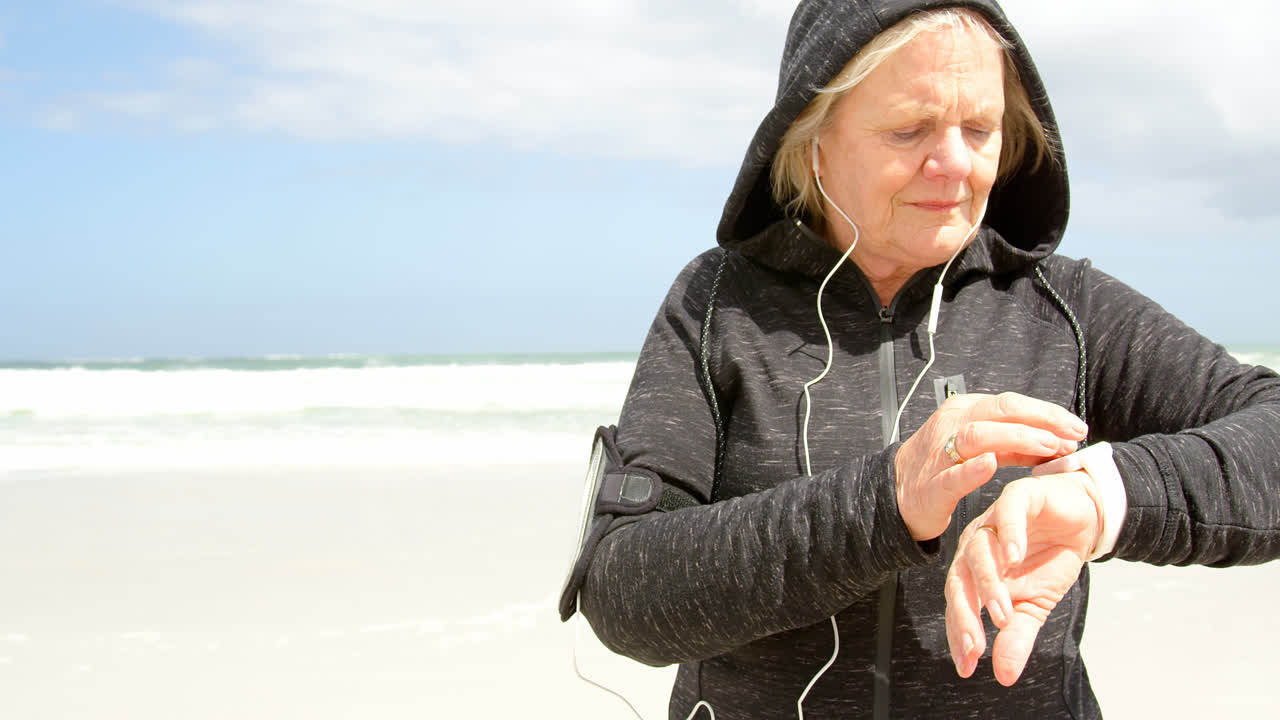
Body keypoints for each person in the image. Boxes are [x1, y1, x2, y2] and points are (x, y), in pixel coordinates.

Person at [572, 0, 1280, 718]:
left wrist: (1106, 497)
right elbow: (621, 588)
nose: (953, 164)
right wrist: (887, 501)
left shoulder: (1065, 308)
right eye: (909, 130)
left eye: (980, 128)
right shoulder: (716, 305)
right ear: (810, 136)